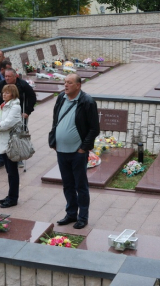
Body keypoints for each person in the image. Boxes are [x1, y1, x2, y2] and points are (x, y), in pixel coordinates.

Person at [49, 73, 99, 229]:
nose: (66, 85)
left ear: (78, 85)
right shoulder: (60, 98)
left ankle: (82, 217)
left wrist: (83, 148)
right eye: (65, 82)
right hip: (61, 151)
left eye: (69, 83)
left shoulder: (87, 102)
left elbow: (94, 128)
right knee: (67, 184)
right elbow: (55, 120)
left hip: (78, 153)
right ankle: (71, 214)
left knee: (80, 185)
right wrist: (54, 141)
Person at [0, 68, 36, 167]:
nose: (6, 78)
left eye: (9, 76)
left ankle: (18, 156)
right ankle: (0, 158)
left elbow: (32, 97)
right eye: (5, 76)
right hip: (2, 112)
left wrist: (27, 111)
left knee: (18, 135)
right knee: (2, 136)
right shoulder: (0, 84)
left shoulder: (23, 84)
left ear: (15, 76)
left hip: (18, 115)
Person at [0, 84, 22, 208]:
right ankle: (10, 195)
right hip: (2, 142)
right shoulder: (3, 105)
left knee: (13, 171)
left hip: (10, 144)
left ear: (13, 95)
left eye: (7, 93)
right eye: (3, 92)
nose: (4, 94)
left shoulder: (15, 107)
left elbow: (6, 124)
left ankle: (13, 198)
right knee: (9, 171)